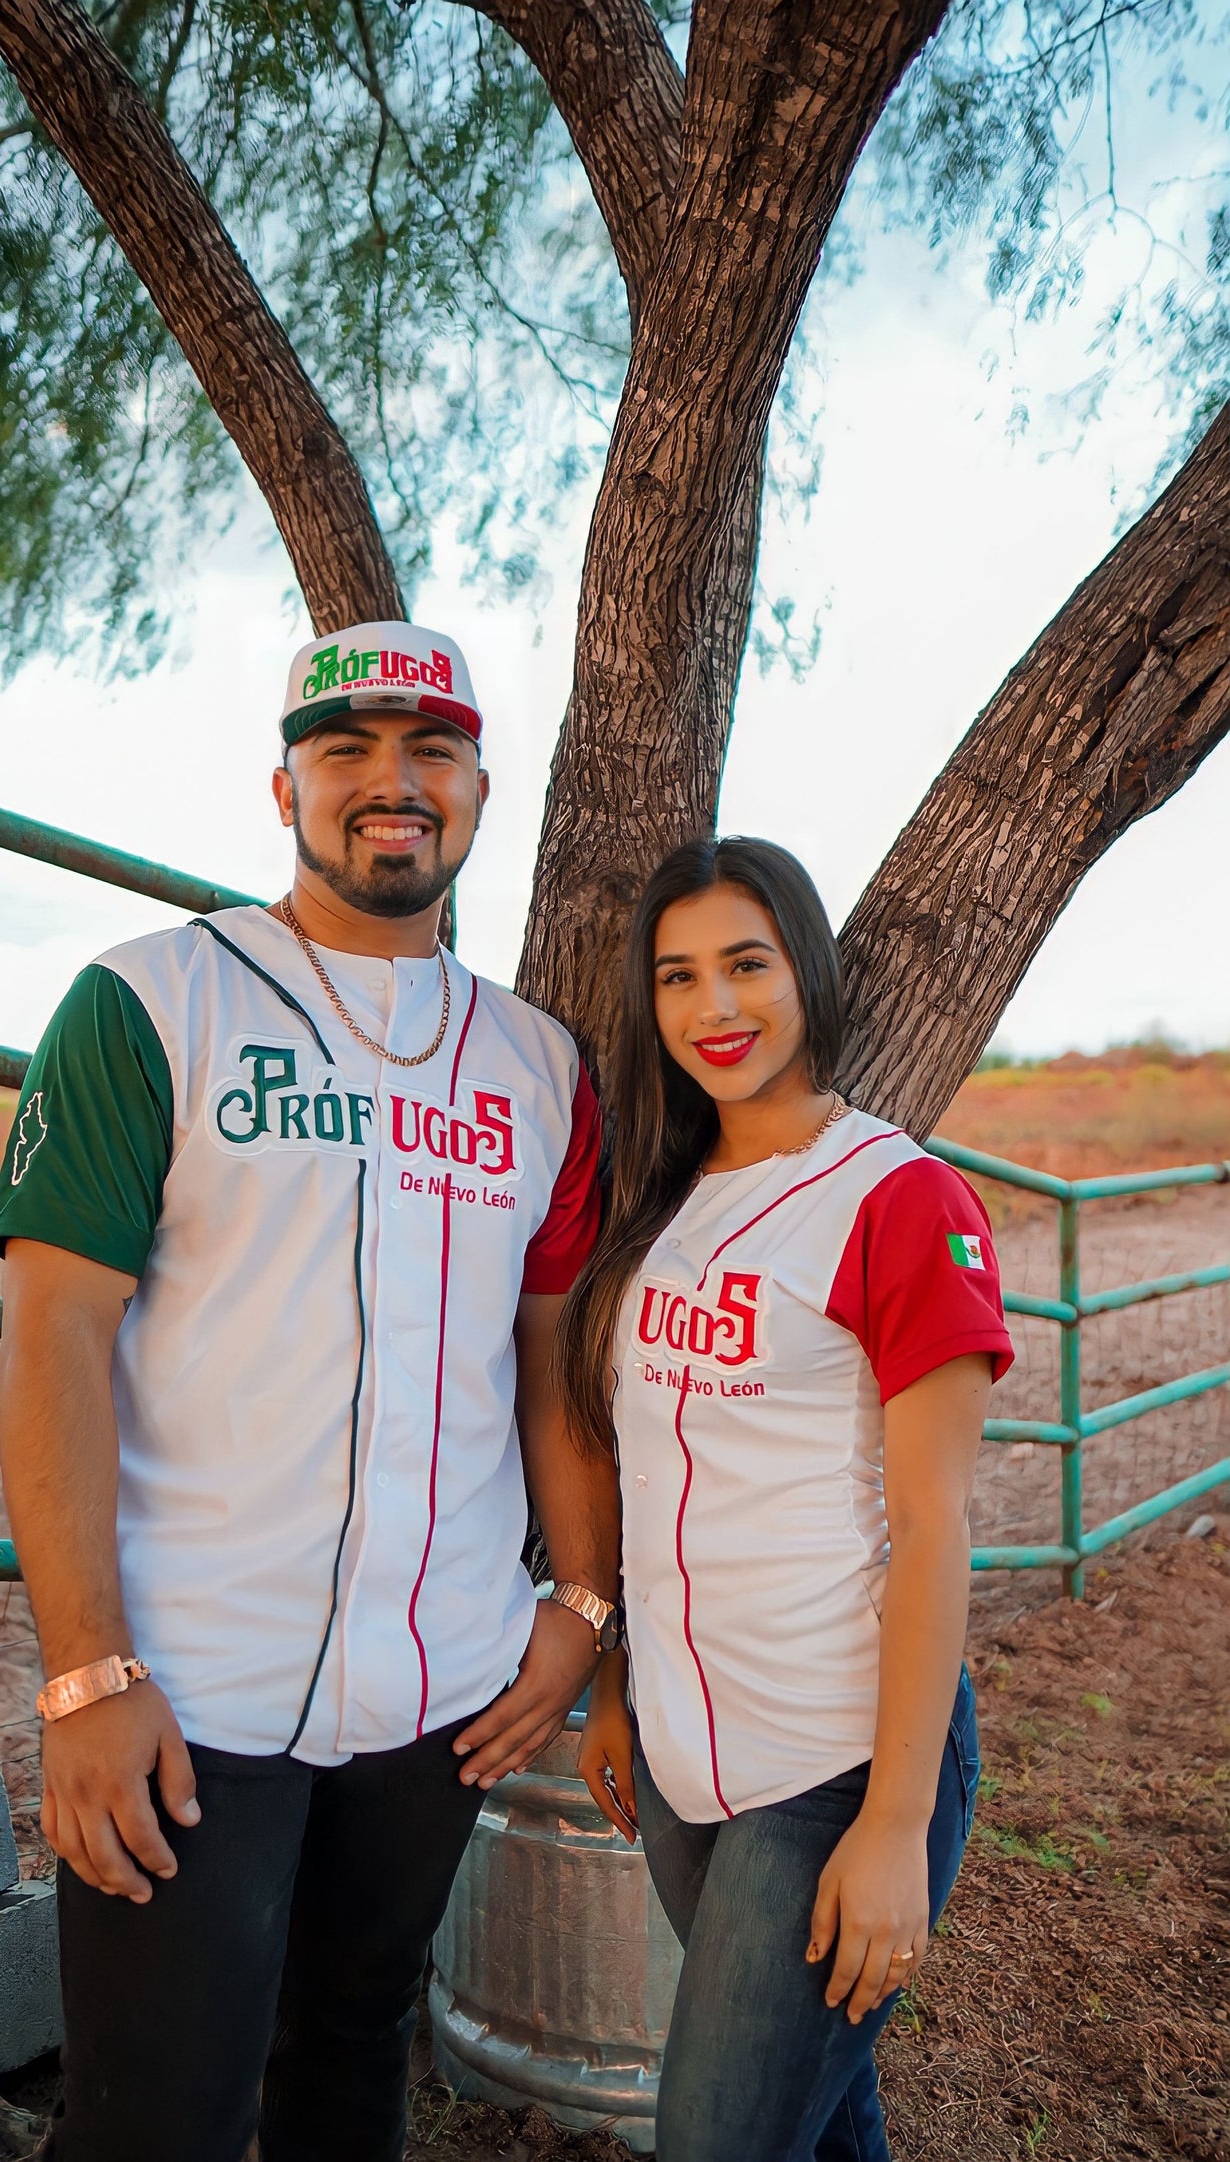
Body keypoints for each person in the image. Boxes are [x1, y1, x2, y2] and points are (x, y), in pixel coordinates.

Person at [0, 620, 622, 2162]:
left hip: (442, 1680)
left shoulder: (541, 1066)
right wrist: (85, 1670)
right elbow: (52, 1338)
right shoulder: (151, 1001)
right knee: (160, 2117)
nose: (390, 783)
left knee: (350, 2059)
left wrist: (581, 1603)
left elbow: (549, 1366)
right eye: (346, 750)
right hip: (188, 1686)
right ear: (284, 787)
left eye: (430, 751)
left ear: (479, 785)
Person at [561, 835, 1014, 2162]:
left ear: (806, 970)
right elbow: (651, 1474)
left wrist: (888, 1823)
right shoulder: (662, 1204)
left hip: (834, 1758)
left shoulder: (898, 1197)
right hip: (679, 1747)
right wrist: (612, 1681)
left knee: (716, 2137)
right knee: (823, 2122)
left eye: (746, 964)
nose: (714, 1008)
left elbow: (933, 1524)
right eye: (677, 975)